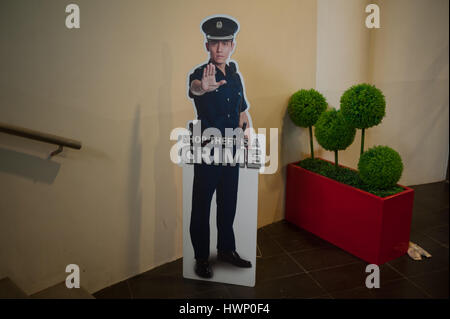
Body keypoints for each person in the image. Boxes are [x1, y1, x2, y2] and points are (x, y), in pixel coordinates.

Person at [187, 16, 252, 278]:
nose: (220, 48)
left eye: (225, 43)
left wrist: (245, 126)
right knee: (202, 204)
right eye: (215, 43)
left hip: (232, 147)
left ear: (233, 45)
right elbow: (194, 89)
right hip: (207, 147)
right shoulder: (199, 74)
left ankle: (226, 249)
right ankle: (202, 257)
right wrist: (203, 87)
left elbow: (242, 110)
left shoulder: (235, 76)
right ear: (207, 45)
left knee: (228, 201)